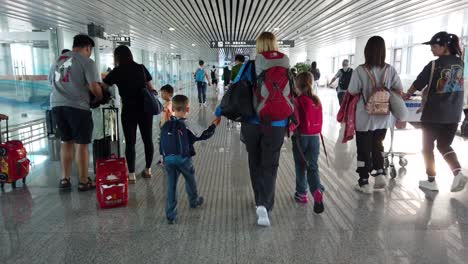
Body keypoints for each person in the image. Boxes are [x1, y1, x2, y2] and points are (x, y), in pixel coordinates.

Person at [230, 32, 291, 227]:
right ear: (274, 44)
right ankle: (267, 203)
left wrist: (219, 111)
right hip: (277, 124)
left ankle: (259, 203)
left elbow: (236, 90)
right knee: (270, 164)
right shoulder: (286, 65)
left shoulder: (250, 66)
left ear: (258, 46)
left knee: (254, 161)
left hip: (253, 124)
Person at [403, 32, 467, 192]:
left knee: (427, 147)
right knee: (444, 145)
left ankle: (431, 180)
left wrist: (406, 95)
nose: (431, 49)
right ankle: (457, 173)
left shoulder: (434, 65)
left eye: (434, 46)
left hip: (433, 115)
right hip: (453, 115)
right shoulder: (463, 65)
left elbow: (417, 84)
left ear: (444, 47)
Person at [348, 36, 403, 194]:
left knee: (363, 149)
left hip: (364, 117)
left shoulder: (360, 70)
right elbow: (398, 89)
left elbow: (352, 90)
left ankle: (364, 182)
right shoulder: (390, 69)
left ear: (367, 51)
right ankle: (380, 174)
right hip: (383, 116)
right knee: (378, 145)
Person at [50, 34, 103, 191]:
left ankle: (65, 179)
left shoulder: (57, 61)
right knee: (82, 144)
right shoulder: (86, 62)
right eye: (90, 50)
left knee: (66, 142)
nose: (90, 53)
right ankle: (83, 180)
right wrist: (99, 97)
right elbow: (94, 86)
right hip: (78, 107)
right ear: (87, 47)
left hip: (56, 106)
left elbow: (51, 83)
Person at [160, 95, 221, 224]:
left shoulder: (167, 124)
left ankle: (171, 215)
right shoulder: (188, 124)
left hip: (168, 159)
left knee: (171, 186)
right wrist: (214, 125)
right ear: (187, 109)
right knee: (190, 179)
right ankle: (193, 200)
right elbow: (204, 135)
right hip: (183, 159)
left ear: (174, 108)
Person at [102, 45, 157, 183]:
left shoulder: (117, 71)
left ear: (117, 57)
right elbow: (151, 88)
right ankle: (148, 170)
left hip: (128, 111)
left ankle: (131, 174)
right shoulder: (141, 68)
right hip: (145, 110)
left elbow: (104, 86)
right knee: (147, 139)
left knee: (130, 142)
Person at [290, 72, 324, 214]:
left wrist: (288, 130)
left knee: (300, 165)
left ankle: (302, 194)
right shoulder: (317, 100)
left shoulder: (297, 101)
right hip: (315, 138)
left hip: (301, 138)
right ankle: (316, 190)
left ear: (297, 86)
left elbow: (295, 121)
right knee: (313, 166)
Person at [156, 84, 175, 167]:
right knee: (162, 143)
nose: (162, 95)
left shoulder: (169, 104)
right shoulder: (167, 103)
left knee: (164, 144)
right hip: (164, 127)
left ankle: (165, 161)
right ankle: (163, 160)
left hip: (167, 128)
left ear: (169, 94)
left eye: (163, 93)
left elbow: (169, 114)